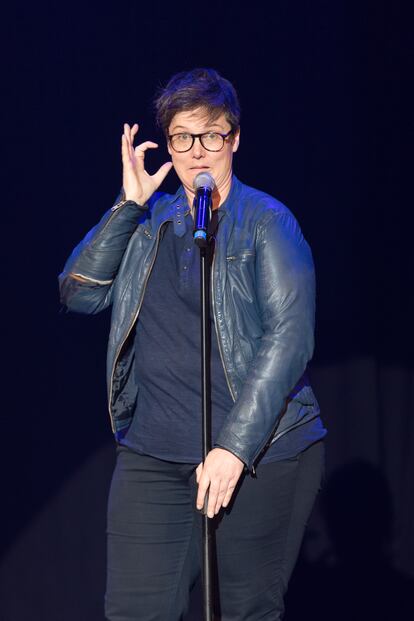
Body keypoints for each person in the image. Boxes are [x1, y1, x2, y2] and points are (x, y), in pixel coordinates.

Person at [59, 68, 326, 621]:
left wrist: (233, 448)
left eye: (211, 134)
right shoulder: (148, 220)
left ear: (234, 139)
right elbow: (78, 294)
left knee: (243, 611)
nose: (197, 151)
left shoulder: (267, 222)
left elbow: (290, 338)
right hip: (154, 451)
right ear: (169, 143)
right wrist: (126, 205)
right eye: (182, 136)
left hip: (259, 452)